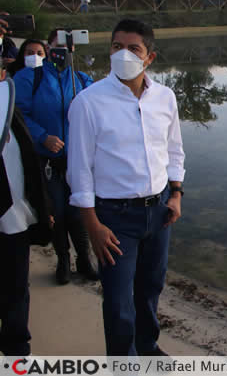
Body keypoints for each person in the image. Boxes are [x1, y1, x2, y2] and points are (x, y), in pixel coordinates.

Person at [67, 19, 185, 356]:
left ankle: (147, 347)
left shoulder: (164, 97)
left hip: (159, 212)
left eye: (133, 48)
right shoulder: (88, 103)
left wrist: (176, 194)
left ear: (150, 57)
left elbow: (174, 150)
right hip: (115, 218)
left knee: (150, 289)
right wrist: (92, 226)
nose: (123, 54)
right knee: (118, 301)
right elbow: (79, 171)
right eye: (117, 46)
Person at [13, 29, 97, 285]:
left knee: (78, 209)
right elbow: (18, 113)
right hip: (47, 160)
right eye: (55, 46)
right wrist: (42, 137)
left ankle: (84, 258)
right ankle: (63, 260)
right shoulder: (30, 77)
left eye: (66, 47)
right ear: (48, 49)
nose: (61, 52)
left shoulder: (82, 80)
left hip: (77, 160)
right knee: (57, 211)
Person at [1, 70, 53, 357]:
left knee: (17, 288)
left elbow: (30, 163)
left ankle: (17, 351)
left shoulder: (8, 106)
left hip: (14, 218)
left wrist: (43, 208)